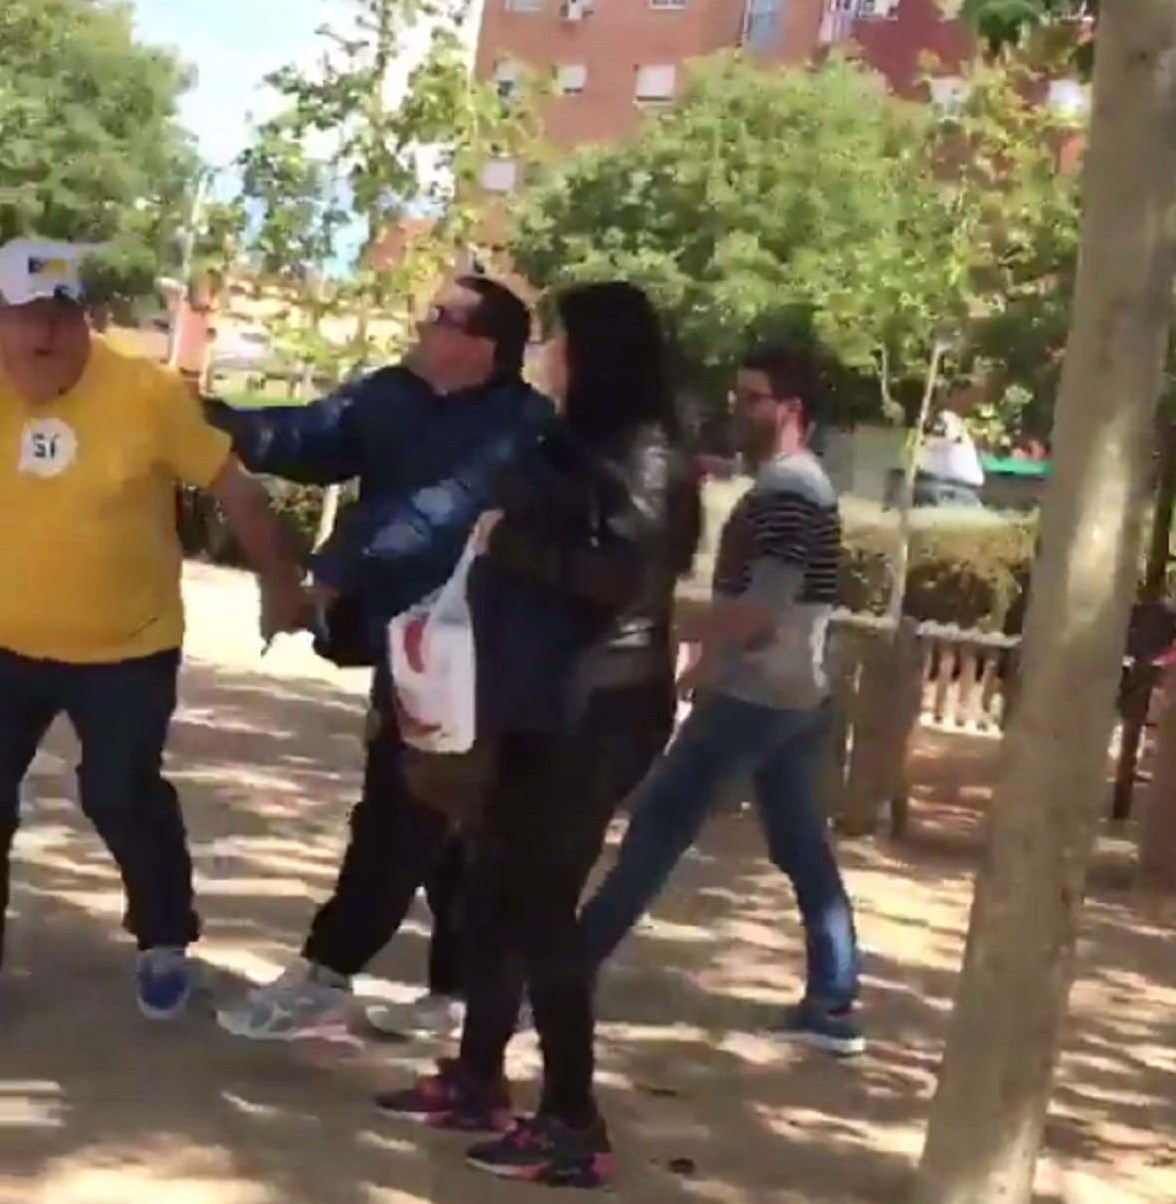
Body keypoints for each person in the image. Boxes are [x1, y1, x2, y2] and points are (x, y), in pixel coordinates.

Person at [376, 282, 702, 1190]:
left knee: (540, 910)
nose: (551, 349)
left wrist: (508, 542)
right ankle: (479, 1077)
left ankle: (572, 1119)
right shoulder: (577, 441)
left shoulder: (644, 455)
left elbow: (622, 577)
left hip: (595, 709)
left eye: (561, 336)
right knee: (490, 891)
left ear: (598, 350)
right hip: (534, 700)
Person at [209, 274, 554, 1041]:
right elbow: (310, 438)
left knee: (402, 812)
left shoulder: (521, 425)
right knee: (450, 824)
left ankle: (328, 974)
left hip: (475, 652)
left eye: (439, 317)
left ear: (482, 344)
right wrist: (219, 424)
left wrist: (334, 576)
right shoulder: (391, 394)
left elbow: (440, 514)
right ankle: (463, 989)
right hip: (406, 645)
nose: (421, 324)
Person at [0, 240, 305, 1018]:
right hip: (5, 642)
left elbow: (235, 490)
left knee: (118, 793)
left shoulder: (146, 393)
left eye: (62, 315)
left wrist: (278, 579)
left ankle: (164, 937)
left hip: (126, 646)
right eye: (27, 316)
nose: (47, 334)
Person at [580, 344, 864, 1056]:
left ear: (790, 409)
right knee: (800, 846)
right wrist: (689, 669)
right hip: (792, 694)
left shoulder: (791, 492)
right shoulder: (792, 486)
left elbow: (761, 608)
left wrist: (662, 628)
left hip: (757, 695)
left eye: (752, 398)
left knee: (655, 829)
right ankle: (832, 1004)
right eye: (736, 396)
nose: (738, 410)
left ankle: (564, 970)